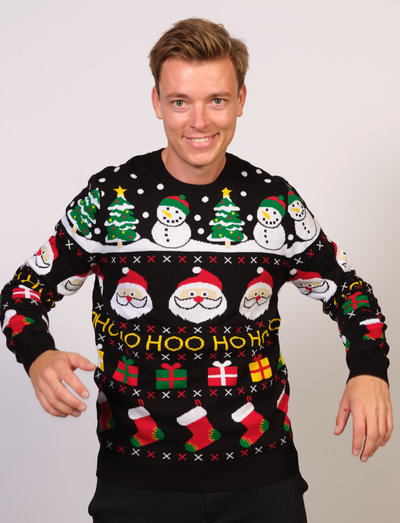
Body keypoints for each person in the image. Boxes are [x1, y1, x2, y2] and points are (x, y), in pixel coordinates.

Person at [0, 17, 392, 523]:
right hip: (136, 482)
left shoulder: (273, 202)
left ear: (241, 100)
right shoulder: (110, 198)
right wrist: (37, 355)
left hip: (262, 480)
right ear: (157, 102)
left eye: (217, 100)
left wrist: (368, 371)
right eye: (181, 101)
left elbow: (348, 291)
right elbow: (23, 293)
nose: (199, 121)